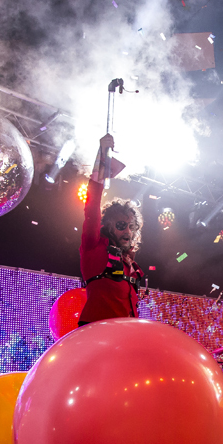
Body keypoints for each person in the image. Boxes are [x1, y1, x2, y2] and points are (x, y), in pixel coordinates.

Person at [77, 134, 146, 325]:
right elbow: (91, 207)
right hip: (96, 339)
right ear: (107, 226)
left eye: (132, 227)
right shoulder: (94, 247)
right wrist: (101, 156)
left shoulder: (131, 264)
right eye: (121, 226)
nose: (128, 232)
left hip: (124, 341)